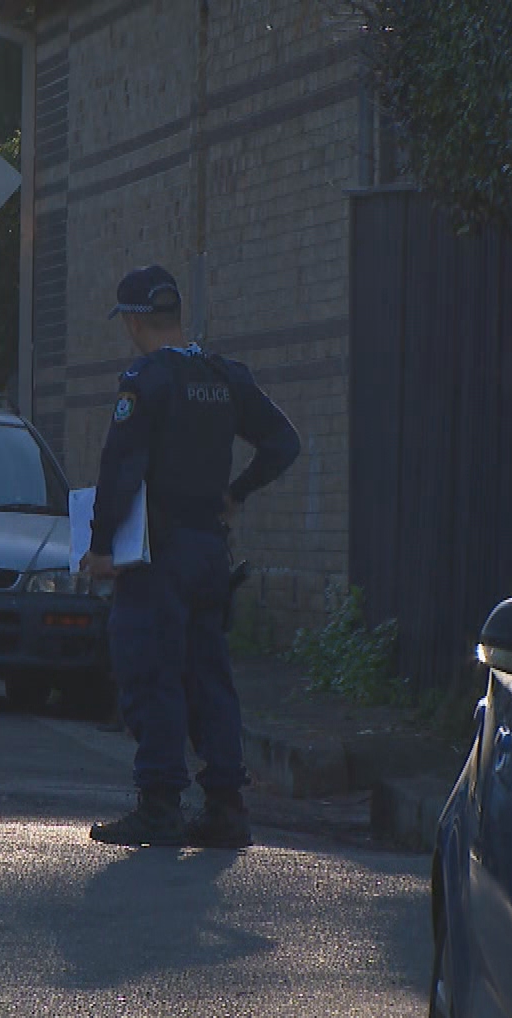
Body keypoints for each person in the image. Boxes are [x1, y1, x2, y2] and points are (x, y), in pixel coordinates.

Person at [79, 265, 301, 849]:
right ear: (175, 315)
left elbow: (121, 469)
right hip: (209, 551)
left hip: (157, 554)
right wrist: (237, 491)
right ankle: (226, 807)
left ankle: (159, 805)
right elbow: (284, 442)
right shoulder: (223, 376)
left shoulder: (145, 380)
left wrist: (101, 547)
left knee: (151, 670)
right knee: (209, 677)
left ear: (131, 321)